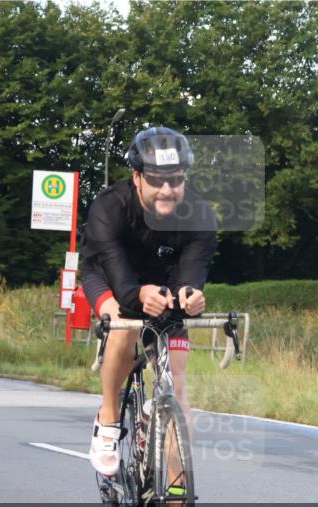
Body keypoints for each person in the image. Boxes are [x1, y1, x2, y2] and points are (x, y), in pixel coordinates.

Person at [80, 126, 217, 486]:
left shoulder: (199, 214)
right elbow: (120, 278)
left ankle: (176, 495)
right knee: (123, 329)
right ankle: (109, 417)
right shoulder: (109, 207)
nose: (168, 190)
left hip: (164, 284)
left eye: (176, 180)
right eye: (157, 180)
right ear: (137, 177)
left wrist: (190, 297)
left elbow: (191, 273)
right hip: (108, 278)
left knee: (178, 386)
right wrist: (140, 295)